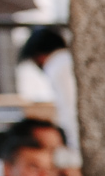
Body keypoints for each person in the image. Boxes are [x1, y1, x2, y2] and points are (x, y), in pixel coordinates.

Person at [17, 28, 78, 158]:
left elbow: (69, 110)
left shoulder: (57, 66)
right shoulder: (67, 60)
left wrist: (73, 149)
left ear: (38, 56)